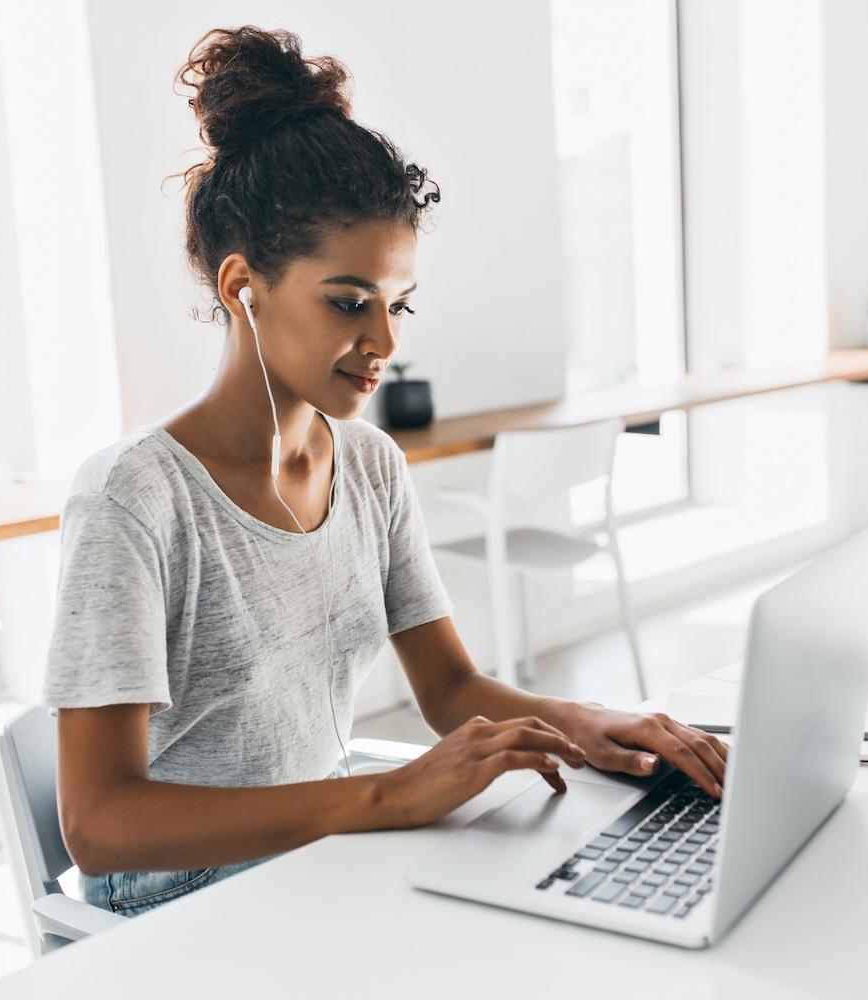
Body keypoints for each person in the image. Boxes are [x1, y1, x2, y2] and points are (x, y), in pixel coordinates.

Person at [42, 25, 729, 918]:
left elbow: (448, 689)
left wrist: (589, 722)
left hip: (313, 855)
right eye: (348, 302)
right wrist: (385, 798)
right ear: (241, 286)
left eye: (397, 303)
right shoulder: (134, 498)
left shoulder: (366, 464)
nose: (385, 342)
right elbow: (99, 824)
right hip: (179, 900)